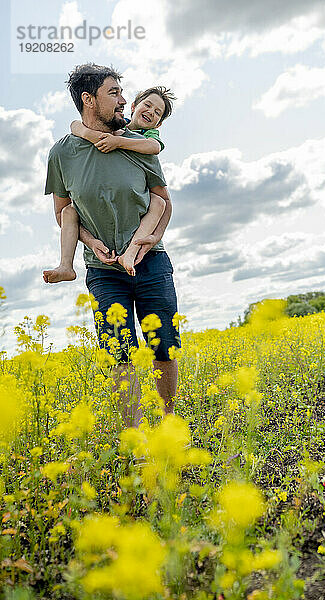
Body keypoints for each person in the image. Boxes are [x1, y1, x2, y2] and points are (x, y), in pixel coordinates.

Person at [44, 63, 180, 428]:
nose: (123, 100)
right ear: (89, 100)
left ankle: (168, 426)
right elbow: (64, 211)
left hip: (150, 262)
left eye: (122, 93)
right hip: (104, 272)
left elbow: (163, 201)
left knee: (162, 347)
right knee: (119, 355)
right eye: (114, 93)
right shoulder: (62, 154)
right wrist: (92, 243)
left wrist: (150, 240)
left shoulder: (138, 143)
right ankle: (135, 436)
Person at [43, 86, 175, 282]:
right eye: (147, 105)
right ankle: (65, 265)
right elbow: (74, 125)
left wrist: (118, 142)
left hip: (150, 257)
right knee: (67, 212)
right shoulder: (118, 125)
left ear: (159, 124)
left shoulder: (148, 137)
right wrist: (89, 134)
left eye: (157, 113)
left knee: (159, 202)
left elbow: (154, 148)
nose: (150, 112)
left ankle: (131, 251)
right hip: (102, 268)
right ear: (133, 106)